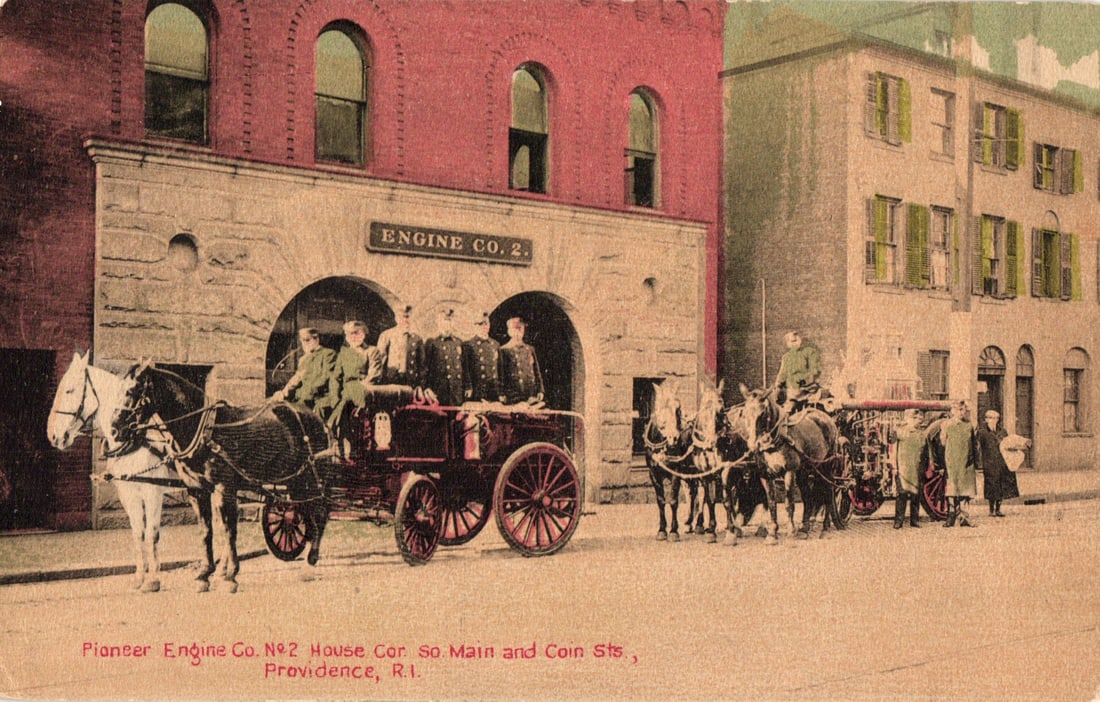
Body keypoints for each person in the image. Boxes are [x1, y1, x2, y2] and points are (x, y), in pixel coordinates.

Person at [327, 320, 384, 434]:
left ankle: (331, 425)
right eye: (349, 334)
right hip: (345, 391)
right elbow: (335, 378)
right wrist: (334, 397)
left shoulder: (372, 351)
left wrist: (360, 385)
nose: (353, 337)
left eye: (356, 333)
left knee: (351, 394)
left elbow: (375, 374)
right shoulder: (344, 353)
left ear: (363, 334)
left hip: (364, 388)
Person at [273, 327, 337, 418]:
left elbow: (324, 379)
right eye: (302, 341)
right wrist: (283, 392)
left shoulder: (328, 354)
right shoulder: (303, 359)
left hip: (320, 397)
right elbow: (297, 378)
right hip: (304, 397)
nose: (304, 344)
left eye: (307, 340)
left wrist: (305, 395)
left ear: (316, 339)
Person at [939, 400, 978, 528]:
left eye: (963, 410)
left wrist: (974, 462)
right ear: (952, 411)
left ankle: (964, 517)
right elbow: (943, 443)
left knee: (965, 490)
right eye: (959, 410)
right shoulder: (947, 425)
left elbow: (973, 444)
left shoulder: (969, 426)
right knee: (952, 490)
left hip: (966, 462)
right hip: (952, 461)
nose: (962, 412)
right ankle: (951, 516)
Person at [977, 410, 1019, 518]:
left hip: (1002, 461)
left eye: (995, 418)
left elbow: (1008, 443)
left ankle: (998, 509)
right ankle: (991, 509)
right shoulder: (982, 432)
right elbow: (978, 447)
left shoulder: (1002, 432)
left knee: (1001, 485)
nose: (993, 420)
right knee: (991, 485)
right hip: (989, 462)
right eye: (990, 418)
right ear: (986, 420)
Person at [376, 305, 425, 387]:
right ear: (396, 319)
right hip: (391, 380)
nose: (405, 320)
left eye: (407, 317)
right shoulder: (387, 335)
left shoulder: (417, 339)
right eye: (402, 317)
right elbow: (380, 360)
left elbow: (422, 365)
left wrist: (420, 385)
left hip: (411, 381)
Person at [424, 309, 465, 406]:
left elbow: (464, 367)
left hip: (457, 393)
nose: (447, 325)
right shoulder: (432, 342)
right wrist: (427, 388)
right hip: (438, 392)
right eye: (444, 322)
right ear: (438, 323)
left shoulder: (459, 343)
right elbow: (425, 368)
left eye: (449, 321)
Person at [499, 316, 544, 405]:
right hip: (513, 395)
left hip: (531, 395)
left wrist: (540, 390)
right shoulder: (504, 350)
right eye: (516, 329)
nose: (519, 333)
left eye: (521, 330)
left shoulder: (529, 349)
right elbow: (501, 374)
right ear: (509, 332)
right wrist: (501, 393)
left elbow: (536, 371)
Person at [893, 409, 925, 529]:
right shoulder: (900, 432)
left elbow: (924, 451)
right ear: (910, 419)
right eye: (916, 419)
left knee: (916, 495)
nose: (918, 422)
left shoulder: (920, 434)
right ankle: (898, 521)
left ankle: (914, 520)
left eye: (920, 420)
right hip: (903, 467)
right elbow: (893, 449)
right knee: (902, 494)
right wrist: (894, 466)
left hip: (916, 468)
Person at [774, 331, 822, 411]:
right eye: (792, 341)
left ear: (800, 340)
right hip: (792, 392)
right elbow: (782, 373)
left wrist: (803, 379)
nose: (794, 343)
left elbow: (815, 370)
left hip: (808, 390)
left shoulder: (809, 352)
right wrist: (778, 385)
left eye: (796, 340)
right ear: (788, 344)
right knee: (784, 410)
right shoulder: (786, 357)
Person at [463, 311, 503, 403]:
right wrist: (468, 387)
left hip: (494, 390)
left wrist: (501, 392)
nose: (484, 326)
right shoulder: (469, 345)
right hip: (479, 390)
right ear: (475, 326)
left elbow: (500, 370)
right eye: (480, 324)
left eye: (486, 323)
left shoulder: (495, 344)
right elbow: (466, 369)